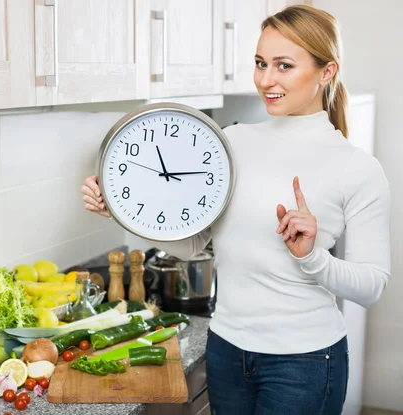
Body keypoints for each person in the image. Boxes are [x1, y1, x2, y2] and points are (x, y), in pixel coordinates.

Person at [81, 4, 391, 415]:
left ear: (326, 71)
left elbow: (372, 286)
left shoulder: (356, 167)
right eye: (261, 63)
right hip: (226, 350)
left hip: (304, 363)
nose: (266, 79)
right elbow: (195, 244)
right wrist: (120, 210)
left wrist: (312, 257)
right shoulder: (231, 142)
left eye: (283, 66)